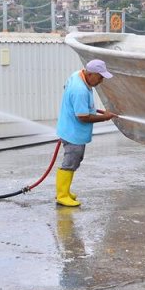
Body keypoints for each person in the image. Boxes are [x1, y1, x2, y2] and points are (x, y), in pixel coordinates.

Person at [55, 59, 116, 207]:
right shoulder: (80, 90)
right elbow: (82, 117)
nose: (101, 81)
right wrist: (104, 117)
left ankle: (65, 191)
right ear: (90, 74)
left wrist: (95, 110)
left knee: (74, 160)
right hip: (73, 132)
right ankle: (62, 195)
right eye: (100, 77)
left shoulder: (77, 75)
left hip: (68, 127)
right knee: (70, 162)